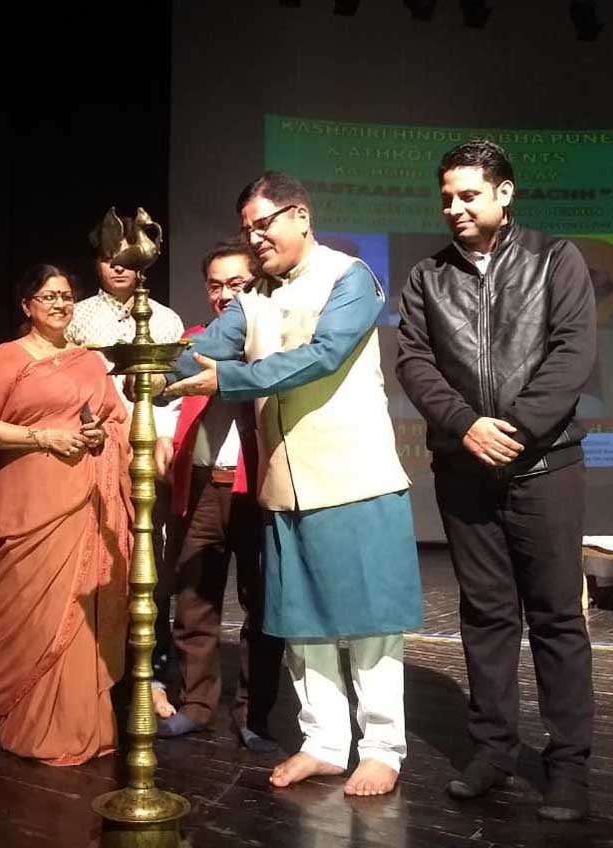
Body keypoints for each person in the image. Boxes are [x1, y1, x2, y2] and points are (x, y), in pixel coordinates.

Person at [165, 172, 423, 797]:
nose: (255, 239)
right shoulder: (252, 298)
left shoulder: (349, 277)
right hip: (285, 486)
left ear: (300, 216)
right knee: (303, 623)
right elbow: (194, 353)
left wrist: (227, 380)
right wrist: (132, 368)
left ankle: (382, 747)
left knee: (370, 622)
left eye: (264, 224)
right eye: (247, 230)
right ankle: (325, 743)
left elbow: (323, 355)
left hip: (354, 477)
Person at [396, 139, 596, 822]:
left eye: (468, 195)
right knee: (485, 617)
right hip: (464, 470)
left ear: (504, 194)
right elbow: (414, 362)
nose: (454, 207)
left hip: (545, 467)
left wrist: (511, 430)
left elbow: (573, 352)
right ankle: (493, 751)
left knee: (557, 618)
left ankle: (568, 767)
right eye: (446, 197)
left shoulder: (555, 258)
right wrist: (465, 426)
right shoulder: (427, 276)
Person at [0, 264, 130, 766]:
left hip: (84, 502)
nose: (59, 304)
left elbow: (114, 419)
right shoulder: (5, 357)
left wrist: (101, 434)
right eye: (47, 296)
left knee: (79, 616)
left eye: (65, 296)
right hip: (28, 503)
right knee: (32, 617)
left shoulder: (89, 361)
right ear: (27, 305)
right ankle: (25, 722)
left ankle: (82, 725)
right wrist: (44, 437)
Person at [153, 239, 283, 753]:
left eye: (237, 284)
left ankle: (255, 715)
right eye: (215, 285)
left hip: (257, 489)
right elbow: (167, 404)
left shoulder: (273, 347)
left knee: (262, 603)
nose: (225, 295)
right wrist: (163, 437)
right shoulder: (192, 344)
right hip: (203, 487)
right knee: (194, 600)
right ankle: (196, 705)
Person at [67, 214, 184, 719]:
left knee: (148, 557)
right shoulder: (76, 318)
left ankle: (150, 673)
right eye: (108, 258)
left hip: (146, 452)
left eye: (126, 259)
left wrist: (163, 439)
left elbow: (173, 391)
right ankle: (94, 668)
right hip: (93, 449)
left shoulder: (166, 320)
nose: (118, 267)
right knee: (96, 554)